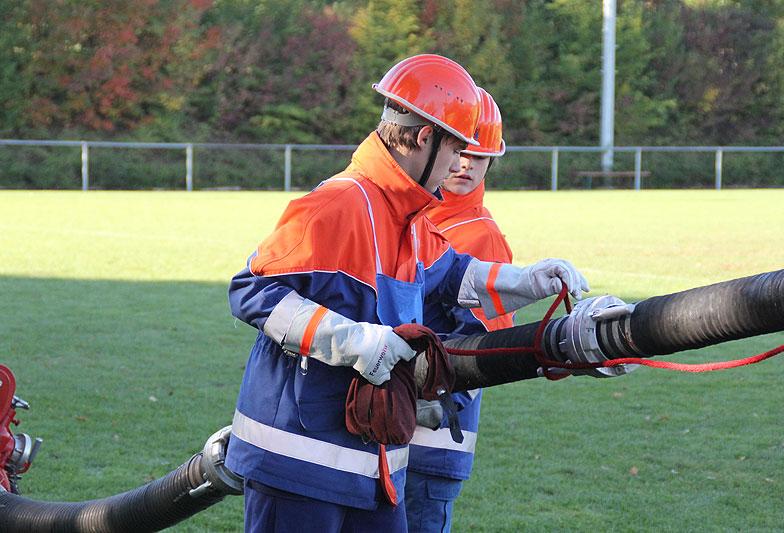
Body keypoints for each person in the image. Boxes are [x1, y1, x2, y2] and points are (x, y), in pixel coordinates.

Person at [225, 54, 590, 533]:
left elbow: (452, 275)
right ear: (424, 138)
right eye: (455, 149)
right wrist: (351, 340)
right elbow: (252, 289)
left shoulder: (407, 216)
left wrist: (526, 281)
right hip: (300, 464)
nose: (458, 165)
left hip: (375, 465)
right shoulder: (338, 203)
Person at [405, 88, 513, 533]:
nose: (467, 164)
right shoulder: (411, 214)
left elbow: (485, 351)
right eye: (461, 150)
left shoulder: (483, 237)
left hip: (432, 433)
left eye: (481, 157)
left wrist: (431, 396)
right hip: (381, 425)